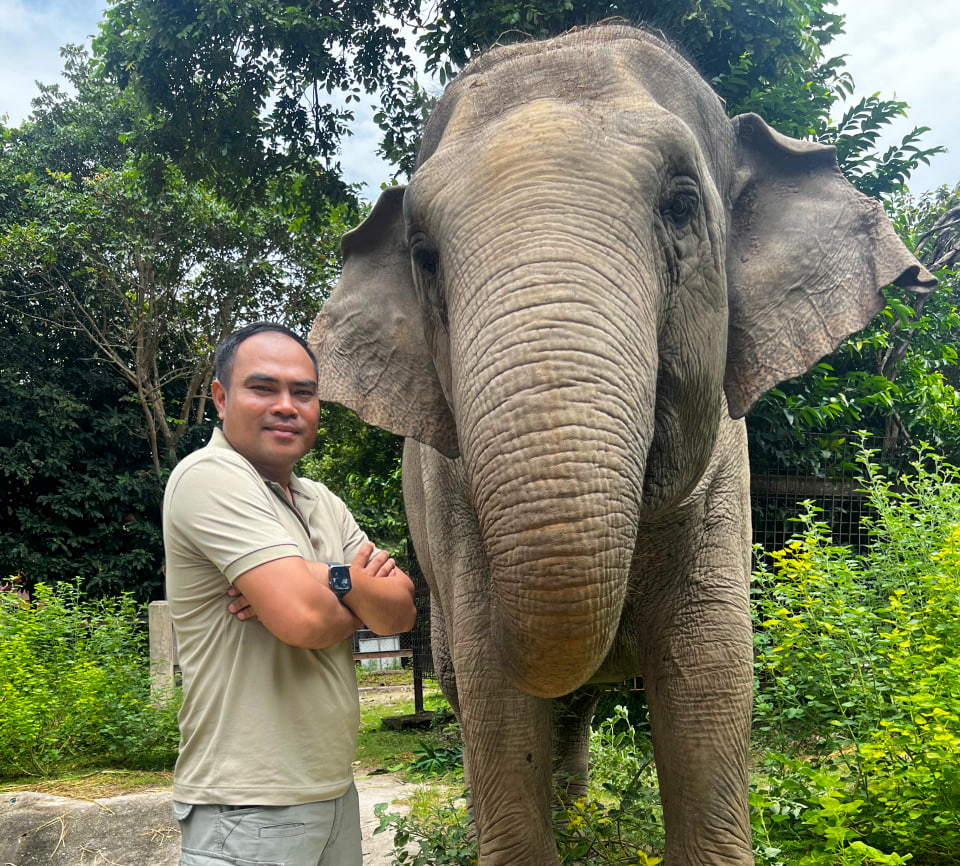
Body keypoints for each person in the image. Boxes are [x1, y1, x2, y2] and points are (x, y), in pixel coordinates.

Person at [162, 321, 417, 866]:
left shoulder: (321, 499)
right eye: (263, 388)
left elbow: (401, 610)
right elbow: (302, 619)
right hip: (245, 806)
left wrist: (325, 577)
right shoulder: (209, 477)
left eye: (303, 392)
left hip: (331, 792)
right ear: (221, 397)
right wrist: (350, 596)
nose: (286, 405)